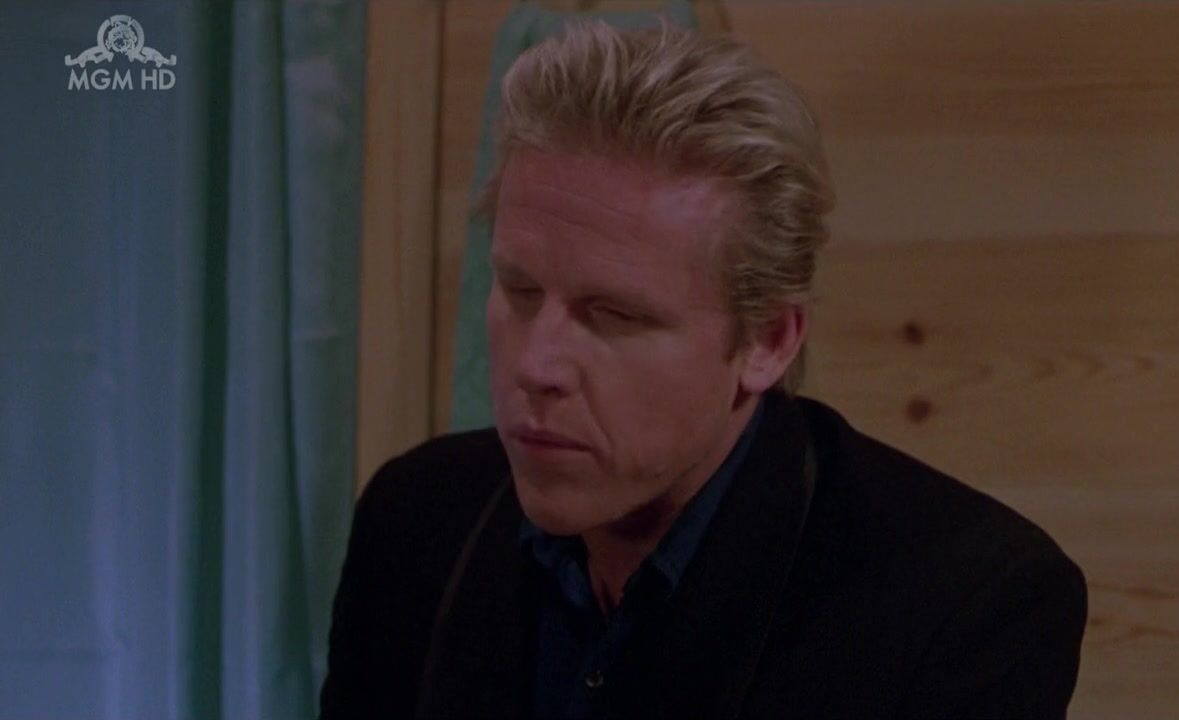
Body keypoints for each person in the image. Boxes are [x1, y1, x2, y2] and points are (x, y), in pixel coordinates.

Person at [320, 19, 1086, 720]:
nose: (536, 364)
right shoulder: (418, 517)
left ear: (768, 342)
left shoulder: (963, 603)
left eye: (612, 315)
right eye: (520, 291)